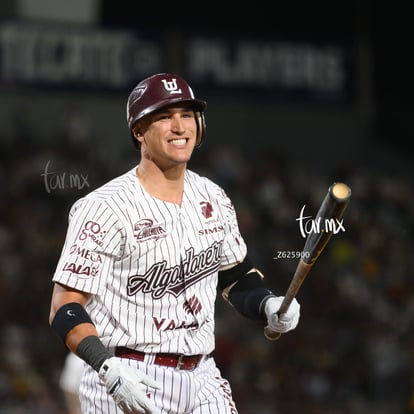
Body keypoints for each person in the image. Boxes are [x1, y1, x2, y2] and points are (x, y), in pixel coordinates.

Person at [48, 72, 301, 414]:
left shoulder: (214, 196)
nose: (180, 126)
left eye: (186, 114)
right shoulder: (103, 207)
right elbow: (64, 307)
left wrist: (268, 304)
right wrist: (107, 368)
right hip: (127, 376)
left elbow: (235, 277)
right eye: (165, 116)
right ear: (139, 131)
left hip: (203, 375)